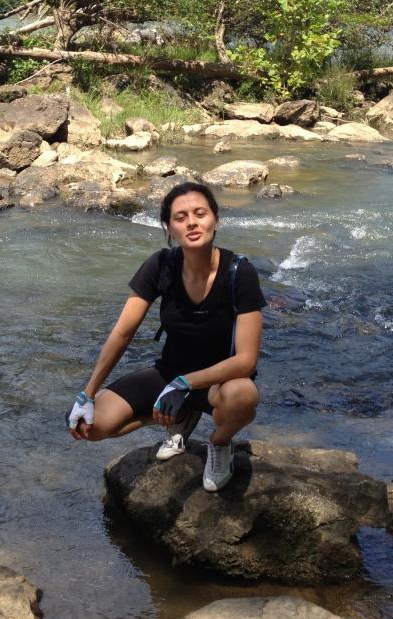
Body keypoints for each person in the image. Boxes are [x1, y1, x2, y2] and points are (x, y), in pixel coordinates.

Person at [66, 182, 266, 491]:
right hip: (169, 374)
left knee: (244, 396)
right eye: (180, 217)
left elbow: (246, 360)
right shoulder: (160, 265)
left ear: (216, 219)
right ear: (169, 228)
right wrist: (88, 393)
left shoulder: (240, 273)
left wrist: (185, 383)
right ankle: (180, 417)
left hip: (218, 384)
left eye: (200, 213)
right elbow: (123, 332)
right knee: (87, 425)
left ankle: (220, 441)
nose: (192, 223)